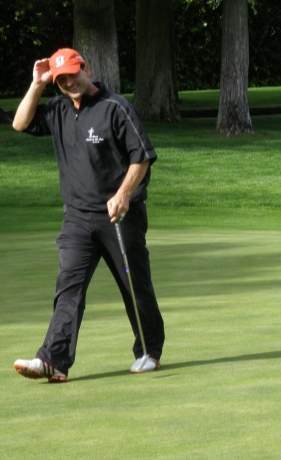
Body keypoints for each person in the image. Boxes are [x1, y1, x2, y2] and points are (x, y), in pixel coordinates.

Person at [11, 48, 165, 381]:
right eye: (62, 79)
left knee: (134, 285)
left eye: (74, 74)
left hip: (120, 216)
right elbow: (19, 123)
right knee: (69, 287)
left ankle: (150, 351)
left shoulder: (115, 108)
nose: (70, 82)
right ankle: (53, 360)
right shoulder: (57, 109)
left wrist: (123, 195)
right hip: (78, 218)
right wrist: (37, 84)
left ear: (87, 69)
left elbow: (142, 157)